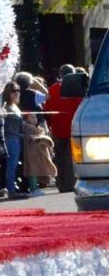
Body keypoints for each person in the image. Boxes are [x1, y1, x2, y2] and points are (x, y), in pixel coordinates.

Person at [49, 64, 80, 192]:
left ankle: (60, 183)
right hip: (71, 127)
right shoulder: (76, 88)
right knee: (69, 157)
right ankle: (69, 183)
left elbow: (48, 107)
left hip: (57, 127)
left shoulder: (52, 88)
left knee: (59, 157)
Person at [23, 111, 57, 195]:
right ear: (27, 119)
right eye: (32, 117)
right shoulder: (29, 127)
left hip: (36, 153)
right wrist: (44, 137)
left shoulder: (35, 127)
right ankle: (33, 189)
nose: (35, 119)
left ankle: (35, 188)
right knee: (33, 172)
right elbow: (36, 137)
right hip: (32, 153)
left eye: (35, 117)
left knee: (35, 171)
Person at [2, 83, 27, 198]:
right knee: (11, 166)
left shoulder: (15, 106)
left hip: (17, 138)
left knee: (15, 165)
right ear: (8, 93)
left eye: (18, 90)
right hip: (10, 139)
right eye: (13, 90)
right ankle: (11, 191)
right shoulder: (6, 108)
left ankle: (13, 188)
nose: (16, 92)